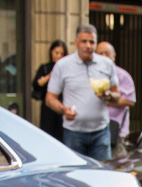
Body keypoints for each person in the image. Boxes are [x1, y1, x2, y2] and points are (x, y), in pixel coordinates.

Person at [45, 25, 120, 161]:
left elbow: (117, 96)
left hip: (100, 132)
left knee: (103, 175)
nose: (88, 46)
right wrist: (63, 110)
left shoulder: (106, 64)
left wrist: (108, 95)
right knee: (76, 175)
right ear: (76, 42)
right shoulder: (63, 65)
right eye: (84, 41)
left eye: (92, 42)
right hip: (73, 132)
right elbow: (50, 98)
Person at [95, 41, 136, 157]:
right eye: (100, 53)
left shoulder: (123, 76)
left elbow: (130, 101)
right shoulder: (92, 74)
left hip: (116, 131)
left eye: (107, 53)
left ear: (114, 56)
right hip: (94, 129)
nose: (104, 56)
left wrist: (106, 100)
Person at [31, 40, 67, 142]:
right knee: (47, 134)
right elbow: (36, 84)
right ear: (51, 52)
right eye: (56, 53)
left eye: (62, 54)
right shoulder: (45, 68)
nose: (59, 56)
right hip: (48, 107)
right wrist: (50, 75)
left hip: (62, 105)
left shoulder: (66, 68)